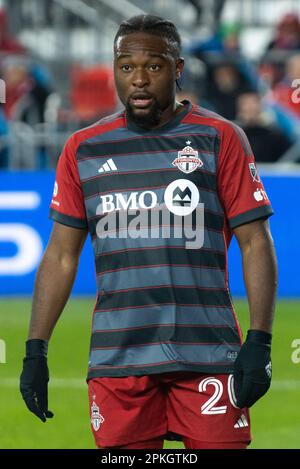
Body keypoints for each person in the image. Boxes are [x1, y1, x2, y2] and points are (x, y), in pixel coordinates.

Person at [20, 15, 277, 450]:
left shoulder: (220, 138)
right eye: (126, 67)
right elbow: (62, 255)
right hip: (118, 360)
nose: (138, 79)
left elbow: (255, 241)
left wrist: (260, 341)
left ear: (177, 69)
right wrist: (35, 350)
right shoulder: (83, 148)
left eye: (153, 67)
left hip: (208, 356)